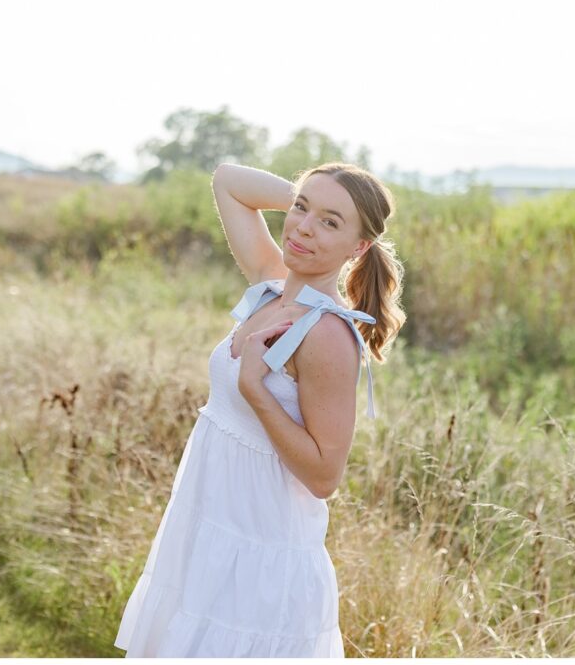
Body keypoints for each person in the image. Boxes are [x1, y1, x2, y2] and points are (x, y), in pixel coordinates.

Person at [113, 162, 406, 657]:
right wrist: (316, 197)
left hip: (260, 561)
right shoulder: (271, 286)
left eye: (331, 223)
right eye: (301, 209)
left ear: (358, 249)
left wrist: (256, 390)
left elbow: (324, 476)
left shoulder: (327, 335)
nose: (304, 228)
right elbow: (228, 180)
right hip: (209, 534)